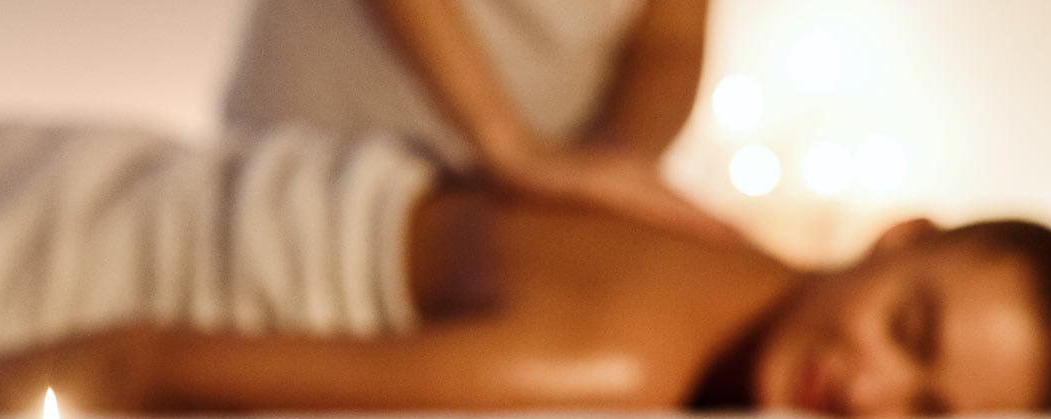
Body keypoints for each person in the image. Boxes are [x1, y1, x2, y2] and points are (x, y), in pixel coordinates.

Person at [0, 120, 1051, 419]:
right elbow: (142, 363)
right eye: (911, 326)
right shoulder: (621, 368)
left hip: (80, 177)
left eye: (928, 410)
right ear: (899, 240)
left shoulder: (712, 248)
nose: (867, 388)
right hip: (30, 259)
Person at [224, 0, 738, 245]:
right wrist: (513, 149)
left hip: (520, 211)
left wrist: (610, 169)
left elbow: (671, 39)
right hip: (316, 160)